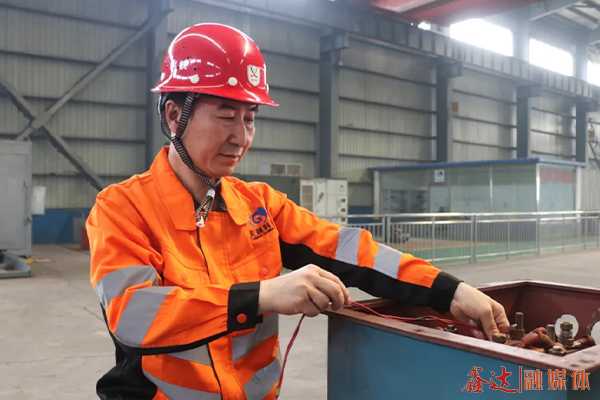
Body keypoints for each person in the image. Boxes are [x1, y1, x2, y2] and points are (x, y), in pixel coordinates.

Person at [86, 23, 510, 400]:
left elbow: (350, 250)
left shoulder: (259, 205)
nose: (241, 137)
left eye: (250, 119)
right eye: (226, 116)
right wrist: (263, 295)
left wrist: (449, 290)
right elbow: (133, 315)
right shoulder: (122, 208)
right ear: (174, 115)